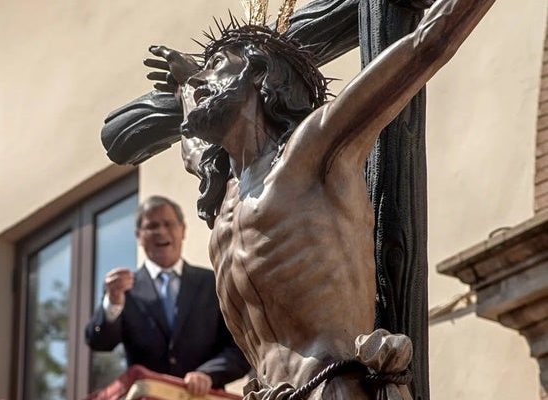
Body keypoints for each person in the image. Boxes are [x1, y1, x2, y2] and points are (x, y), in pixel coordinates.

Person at [119, 0, 498, 398]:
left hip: (336, 387)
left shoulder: (314, 151)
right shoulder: (224, 195)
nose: (201, 83)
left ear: (258, 73)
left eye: (215, 67)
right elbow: (193, 147)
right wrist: (186, 84)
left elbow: (426, 44)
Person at [85, 195, 250, 396]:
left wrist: (208, 374)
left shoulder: (212, 283)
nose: (161, 232)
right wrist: (113, 302)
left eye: (168, 224)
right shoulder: (123, 291)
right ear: (139, 236)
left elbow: (240, 349)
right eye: (152, 226)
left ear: (183, 230)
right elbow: (99, 342)